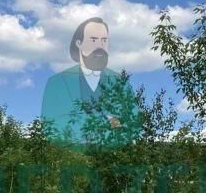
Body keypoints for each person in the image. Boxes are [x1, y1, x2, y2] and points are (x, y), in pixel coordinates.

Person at [41, 17, 136, 145]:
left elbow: (131, 120)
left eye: (104, 40)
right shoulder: (57, 83)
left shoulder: (120, 82)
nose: (100, 46)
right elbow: (51, 123)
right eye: (93, 40)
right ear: (79, 43)